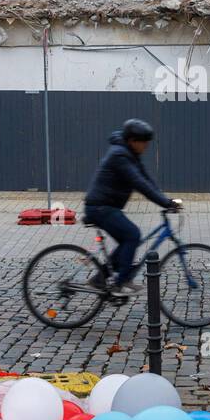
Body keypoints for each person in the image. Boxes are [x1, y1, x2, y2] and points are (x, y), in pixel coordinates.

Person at [83, 119, 181, 298]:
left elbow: (146, 179)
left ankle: (100, 279)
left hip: (107, 207)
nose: (146, 146)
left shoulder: (130, 155)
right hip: (99, 208)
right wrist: (165, 203)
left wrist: (166, 199)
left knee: (127, 240)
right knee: (132, 235)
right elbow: (139, 184)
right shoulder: (120, 156)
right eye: (144, 142)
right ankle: (122, 282)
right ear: (132, 141)